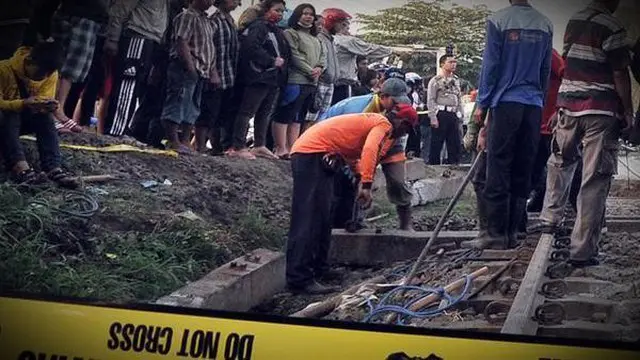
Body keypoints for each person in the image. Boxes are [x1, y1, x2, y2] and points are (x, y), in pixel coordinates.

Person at [537, 0, 633, 268]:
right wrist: (628, 112)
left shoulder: (575, 19)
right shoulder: (613, 26)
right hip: (600, 111)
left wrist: (561, 104)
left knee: (560, 162)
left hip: (568, 106)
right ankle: (582, 251)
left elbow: (569, 63)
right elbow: (620, 73)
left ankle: (549, 219)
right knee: (594, 178)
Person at [286, 103, 419, 294]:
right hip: (311, 153)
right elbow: (370, 150)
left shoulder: (374, 123)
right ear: (400, 121)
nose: (404, 134)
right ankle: (299, 279)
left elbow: (352, 155)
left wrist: (359, 177)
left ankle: (319, 268)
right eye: (406, 128)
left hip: (319, 153)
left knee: (324, 216)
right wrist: (366, 184)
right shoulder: (382, 124)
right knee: (309, 218)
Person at [462, 0, 553, 251]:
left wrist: (483, 104)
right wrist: (540, 100)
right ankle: (513, 232)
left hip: (506, 102)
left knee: (498, 165)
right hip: (533, 105)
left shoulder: (499, 20)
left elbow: (490, 66)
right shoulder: (545, 23)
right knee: (523, 165)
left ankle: (495, 234)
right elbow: (545, 69)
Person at [320, 77, 415, 231]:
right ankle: (353, 221)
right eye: (395, 102)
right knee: (350, 181)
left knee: (398, 182)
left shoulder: (398, 113)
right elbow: (352, 146)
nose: (398, 106)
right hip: (342, 142)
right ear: (383, 96)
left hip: (387, 141)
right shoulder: (358, 109)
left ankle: (406, 224)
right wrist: (361, 174)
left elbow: (386, 142)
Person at [0, 42, 79, 189]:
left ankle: (53, 167)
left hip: (25, 118)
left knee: (46, 119)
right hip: (5, 120)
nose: (44, 77)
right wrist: (23, 103)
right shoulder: (4, 69)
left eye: (48, 73)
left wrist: (47, 106)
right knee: (11, 114)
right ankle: (20, 167)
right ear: (30, 61)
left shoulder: (50, 74)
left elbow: (44, 97)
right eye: (41, 72)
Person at [228, 0, 290, 160]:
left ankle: (259, 144)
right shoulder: (258, 27)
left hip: (273, 78)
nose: (280, 14)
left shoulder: (276, 30)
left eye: (282, 12)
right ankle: (238, 145)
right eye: (277, 10)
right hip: (259, 76)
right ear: (266, 10)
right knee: (247, 111)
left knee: (264, 112)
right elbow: (250, 48)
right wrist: (270, 61)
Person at [102, 0, 170, 138]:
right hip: (137, 35)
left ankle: (123, 127)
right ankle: (117, 130)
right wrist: (113, 38)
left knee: (135, 86)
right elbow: (119, 10)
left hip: (151, 39)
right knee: (128, 83)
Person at [271, 3, 325, 159]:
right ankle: (280, 148)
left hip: (312, 83)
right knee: (285, 114)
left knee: (298, 117)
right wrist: (310, 70)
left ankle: (292, 148)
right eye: (305, 13)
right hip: (296, 80)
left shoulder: (316, 39)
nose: (308, 17)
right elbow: (294, 55)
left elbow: (323, 57)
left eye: (311, 14)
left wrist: (319, 68)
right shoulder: (290, 33)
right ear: (298, 15)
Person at [160, 0, 215, 153]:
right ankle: (173, 140)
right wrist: (189, 66)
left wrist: (212, 70)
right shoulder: (187, 16)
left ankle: (185, 140)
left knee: (193, 106)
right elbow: (181, 41)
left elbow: (210, 48)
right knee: (178, 101)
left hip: (201, 70)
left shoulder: (207, 21)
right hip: (185, 67)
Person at [194, 0, 241, 154]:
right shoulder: (214, 18)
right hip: (215, 72)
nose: (237, 3)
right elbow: (210, 47)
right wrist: (213, 71)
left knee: (220, 113)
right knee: (208, 111)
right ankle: (199, 145)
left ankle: (215, 147)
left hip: (228, 74)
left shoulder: (230, 21)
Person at [526, 49, 564, 213]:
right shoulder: (521, 55)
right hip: (533, 123)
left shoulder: (548, 53)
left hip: (550, 123)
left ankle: (581, 213)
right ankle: (536, 202)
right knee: (532, 168)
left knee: (562, 167)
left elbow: (567, 78)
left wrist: (560, 108)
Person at [304, 9, 348, 126]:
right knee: (310, 118)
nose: (342, 27)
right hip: (320, 82)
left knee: (320, 119)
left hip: (330, 83)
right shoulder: (320, 38)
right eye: (341, 23)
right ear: (331, 21)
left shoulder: (330, 39)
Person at [332, 22, 392, 104]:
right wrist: (391, 50)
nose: (349, 32)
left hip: (331, 82)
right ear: (340, 25)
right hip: (342, 85)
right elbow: (368, 49)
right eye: (347, 28)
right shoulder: (346, 41)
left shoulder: (328, 40)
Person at [426, 55, 464, 165]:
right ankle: (434, 166)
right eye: (450, 62)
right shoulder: (435, 80)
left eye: (455, 62)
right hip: (441, 113)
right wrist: (433, 117)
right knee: (437, 143)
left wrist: (461, 114)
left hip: (453, 114)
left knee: (454, 143)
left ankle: (454, 165)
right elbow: (431, 99)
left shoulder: (456, 80)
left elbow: (459, 98)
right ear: (442, 64)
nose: (454, 64)